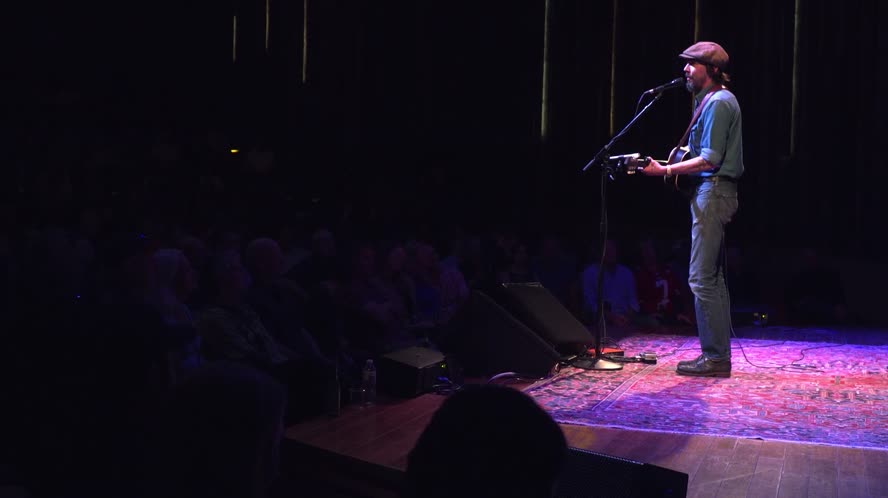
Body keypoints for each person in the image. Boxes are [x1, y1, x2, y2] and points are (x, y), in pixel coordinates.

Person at [638, 41, 744, 377]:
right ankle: (717, 355)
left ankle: (715, 358)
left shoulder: (720, 102)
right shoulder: (708, 101)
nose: (685, 69)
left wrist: (666, 171)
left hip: (714, 192)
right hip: (709, 192)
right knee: (712, 278)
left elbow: (711, 159)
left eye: (692, 64)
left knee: (700, 278)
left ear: (712, 70)